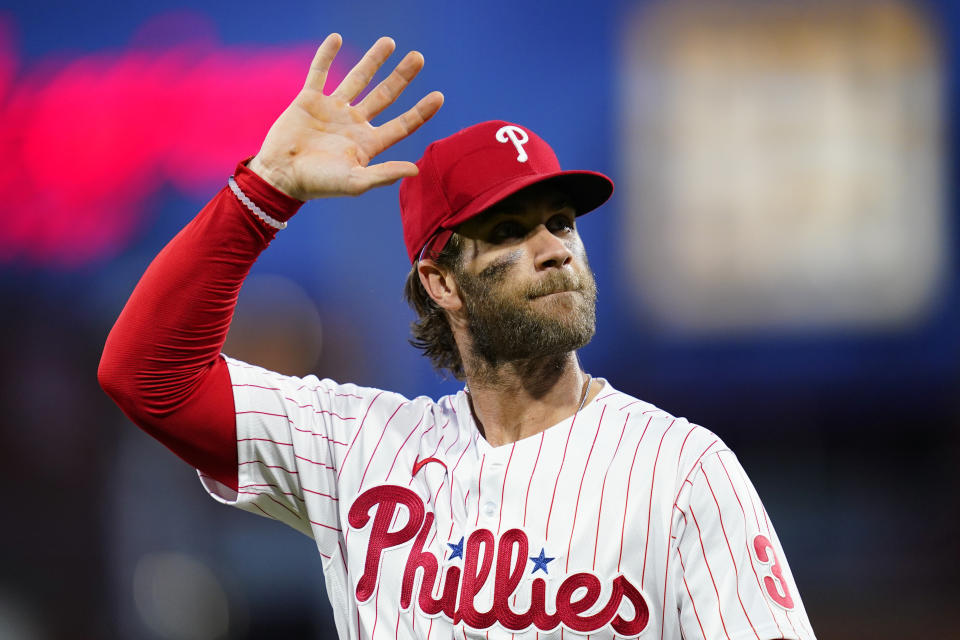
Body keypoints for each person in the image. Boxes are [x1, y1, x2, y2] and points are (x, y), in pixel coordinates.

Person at [99, 34, 816, 640]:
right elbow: (147, 378)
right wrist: (264, 193)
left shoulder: (680, 467)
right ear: (443, 283)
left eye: (561, 223)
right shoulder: (361, 448)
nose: (556, 249)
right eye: (509, 232)